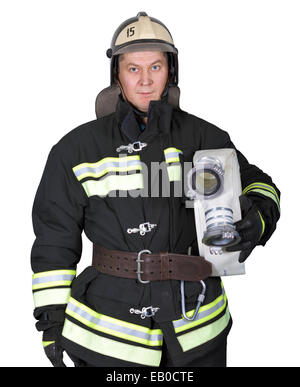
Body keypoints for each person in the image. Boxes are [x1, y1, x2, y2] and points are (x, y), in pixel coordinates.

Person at [31, 12, 280, 367]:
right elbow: (54, 242)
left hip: (197, 330)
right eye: (133, 68)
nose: (145, 81)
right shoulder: (74, 150)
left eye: (156, 67)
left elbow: (261, 185)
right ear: (116, 74)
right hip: (107, 339)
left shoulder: (204, 138)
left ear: (171, 72)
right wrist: (52, 323)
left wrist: (256, 220)